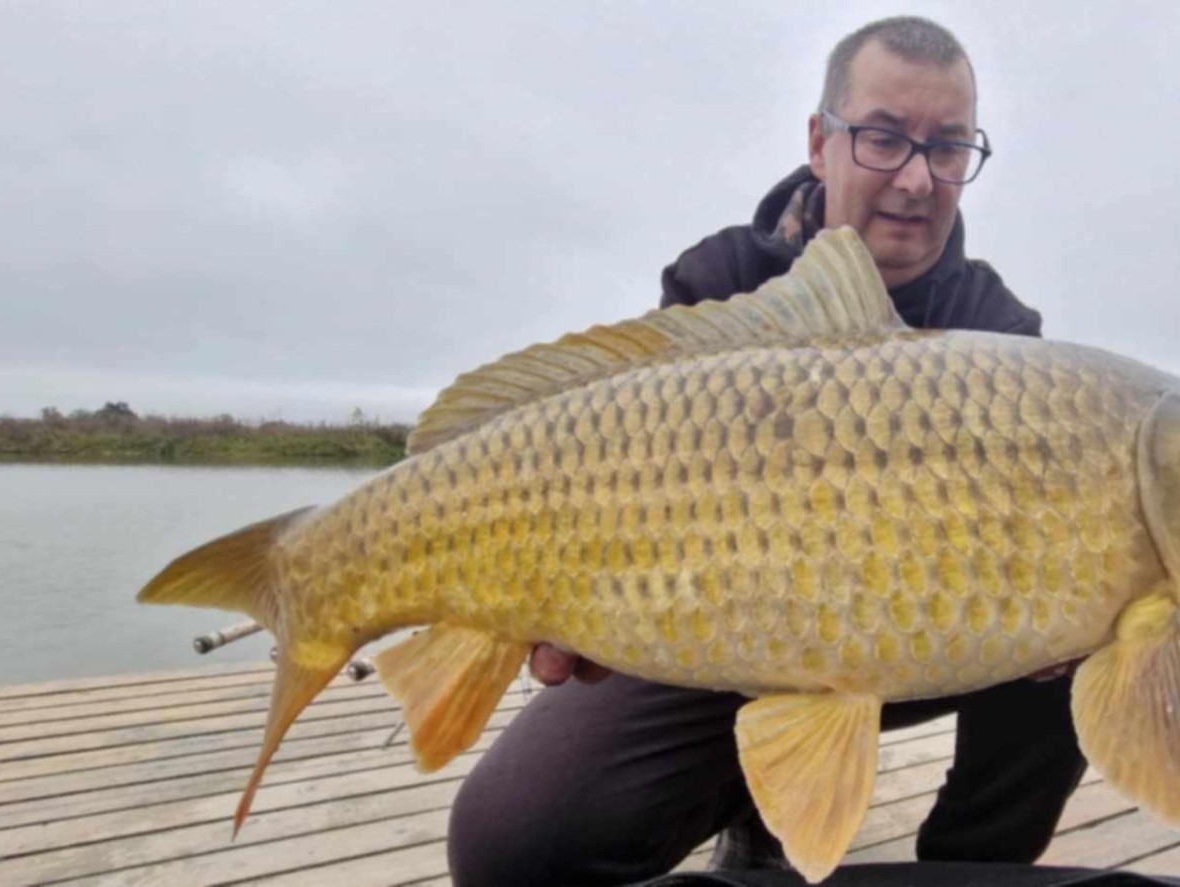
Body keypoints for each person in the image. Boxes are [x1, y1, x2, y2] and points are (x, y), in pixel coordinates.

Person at [446, 16, 1082, 886]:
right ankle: (753, 812)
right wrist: (589, 602)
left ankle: (973, 867)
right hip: (715, 630)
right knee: (508, 849)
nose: (916, 178)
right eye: (885, 138)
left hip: (920, 632)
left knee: (1103, 623)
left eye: (948, 148)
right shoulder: (719, 281)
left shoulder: (1001, 333)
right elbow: (616, 480)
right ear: (821, 143)